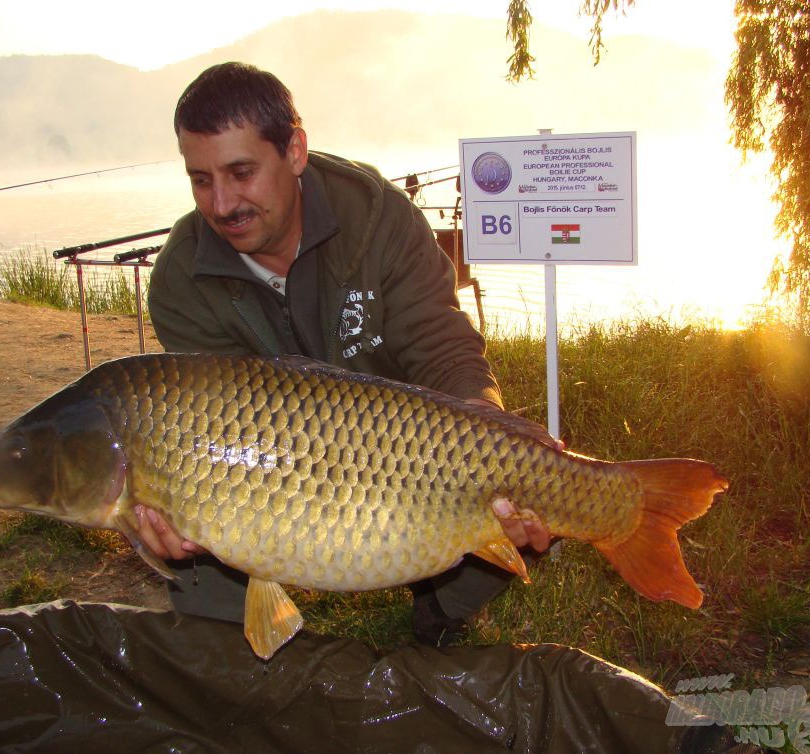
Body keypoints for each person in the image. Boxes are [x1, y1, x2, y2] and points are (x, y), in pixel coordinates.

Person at [140, 61, 554, 645]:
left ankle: (438, 611)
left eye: (241, 172)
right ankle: (270, 643)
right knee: (202, 577)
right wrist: (169, 509)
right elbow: (211, 428)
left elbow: (441, 344)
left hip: (410, 454)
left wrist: (492, 441)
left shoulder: (377, 218)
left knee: (518, 508)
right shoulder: (182, 280)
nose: (223, 202)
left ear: (295, 151)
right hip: (277, 472)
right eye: (201, 180)